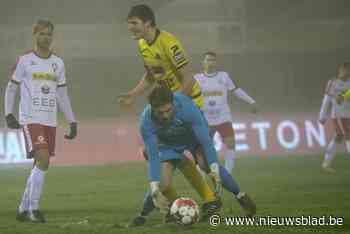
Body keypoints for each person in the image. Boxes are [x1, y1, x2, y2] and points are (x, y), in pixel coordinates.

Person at [4, 18, 77, 223]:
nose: (45, 38)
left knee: (39, 163)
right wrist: (9, 113)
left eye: (49, 34)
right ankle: (33, 210)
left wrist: (72, 121)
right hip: (30, 118)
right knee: (43, 159)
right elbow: (12, 88)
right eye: (42, 34)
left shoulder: (58, 63)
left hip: (49, 120)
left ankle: (22, 208)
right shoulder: (25, 60)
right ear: (34, 35)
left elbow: (62, 94)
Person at [195, 51, 258, 174]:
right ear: (203, 63)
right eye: (208, 60)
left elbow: (237, 90)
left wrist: (251, 102)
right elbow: (190, 96)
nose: (210, 62)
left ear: (216, 62)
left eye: (213, 60)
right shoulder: (197, 79)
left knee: (231, 143)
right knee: (202, 149)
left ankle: (228, 174)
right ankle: (201, 175)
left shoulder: (224, 76)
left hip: (223, 117)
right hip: (206, 118)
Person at [319, 62, 350, 172]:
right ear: (339, 70)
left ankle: (326, 163)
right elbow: (326, 100)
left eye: (347, 70)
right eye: (343, 69)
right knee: (348, 135)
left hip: (348, 115)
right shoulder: (333, 83)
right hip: (337, 115)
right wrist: (322, 115)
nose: (345, 72)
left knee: (339, 137)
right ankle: (326, 163)